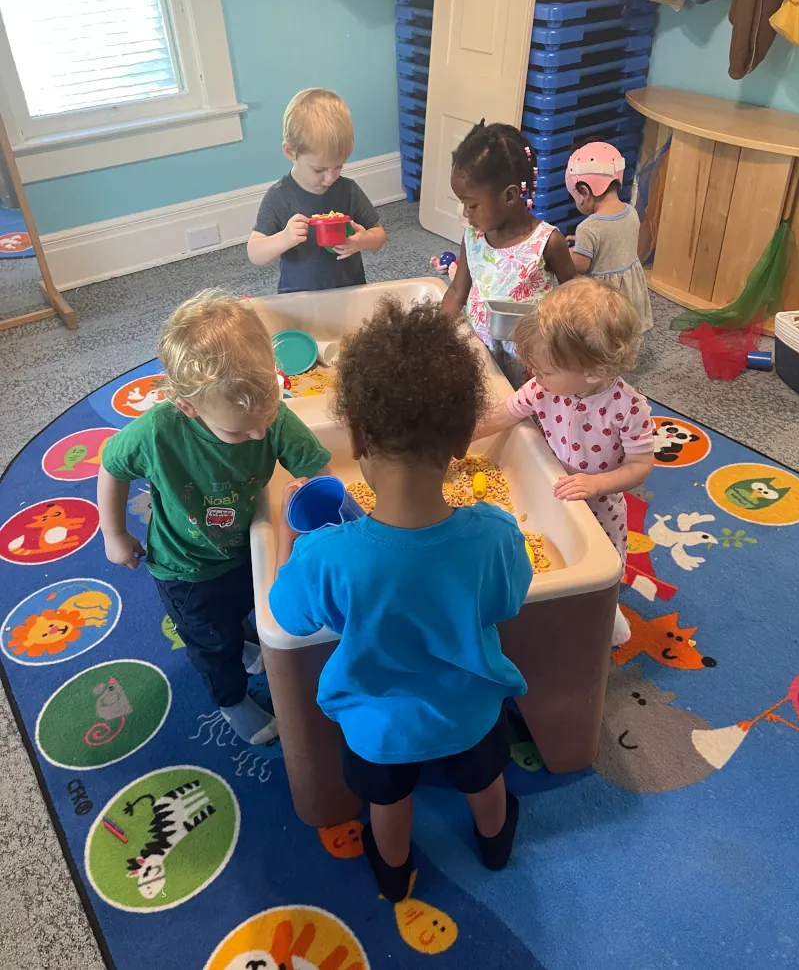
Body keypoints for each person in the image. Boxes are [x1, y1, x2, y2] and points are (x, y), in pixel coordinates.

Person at [269, 299, 532, 901]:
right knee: (485, 780)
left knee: (386, 803)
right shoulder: (494, 532)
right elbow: (508, 599)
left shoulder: (328, 556)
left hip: (376, 729)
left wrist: (292, 542)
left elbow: (286, 615)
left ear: (357, 436)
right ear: (465, 437)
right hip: (471, 714)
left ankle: (393, 877)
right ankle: (495, 843)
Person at [98, 289, 332, 745]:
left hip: (241, 543)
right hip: (185, 567)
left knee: (243, 607)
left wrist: (345, 513)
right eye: (241, 431)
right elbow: (111, 466)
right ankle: (232, 701)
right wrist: (114, 533)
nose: (260, 434)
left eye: (266, 416)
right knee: (211, 641)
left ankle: (242, 645)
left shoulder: (269, 416)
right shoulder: (157, 430)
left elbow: (321, 473)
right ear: (188, 406)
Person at [480, 278, 654, 647]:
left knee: (603, 570)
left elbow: (641, 466)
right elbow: (503, 415)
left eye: (543, 370)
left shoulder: (629, 408)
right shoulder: (542, 388)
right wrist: (457, 436)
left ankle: (607, 611)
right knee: (559, 555)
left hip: (600, 505)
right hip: (555, 489)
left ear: (592, 372)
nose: (533, 376)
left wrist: (598, 484)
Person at [441, 120, 575, 382]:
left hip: (531, 359)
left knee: (528, 416)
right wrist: (434, 331)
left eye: (472, 205)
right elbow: (458, 290)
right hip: (481, 350)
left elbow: (574, 293)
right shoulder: (472, 238)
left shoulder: (547, 242)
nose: (466, 214)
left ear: (510, 196)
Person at [247, 88, 387, 292]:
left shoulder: (348, 190)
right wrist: (284, 238)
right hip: (299, 297)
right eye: (319, 169)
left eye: (338, 166)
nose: (330, 178)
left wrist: (363, 240)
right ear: (290, 152)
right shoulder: (279, 197)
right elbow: (255, 252)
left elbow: (379, 236)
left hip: (349, 291)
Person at [565, 141, 653, 333]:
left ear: (584, 192)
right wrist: (585, 244)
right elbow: (616, 240)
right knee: (626, 335)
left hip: (607, 296)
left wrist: (568, 252)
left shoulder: (588, 227)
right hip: (631, 291)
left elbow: (581, 264)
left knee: (604, 336)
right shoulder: (631, 212)